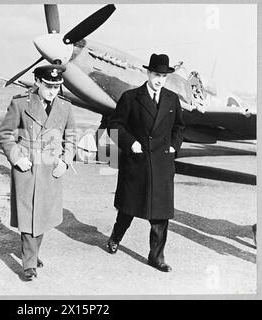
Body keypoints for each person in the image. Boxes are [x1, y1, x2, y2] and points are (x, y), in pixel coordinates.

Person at [106, 53, 185, 272]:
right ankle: (115, 237)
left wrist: (174, 147)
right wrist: (131, 143)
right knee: (128, 208)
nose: (160, 80)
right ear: (148, 73)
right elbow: (114, 125)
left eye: (163, 76)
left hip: (161, 162)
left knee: (160, 214)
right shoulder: (131, 97)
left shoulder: (172, 99)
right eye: (156, 75)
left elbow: (179, 127)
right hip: (137, 162)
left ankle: (156, 257)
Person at [0, 64, 76, 281]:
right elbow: (5, 134)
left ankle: (32, 253)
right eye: (49, 86)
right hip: (28, 164)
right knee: (29, 213)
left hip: (51, 164)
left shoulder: (65, 106)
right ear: (38, 82)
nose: (53, 91)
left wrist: (66, 161)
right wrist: (16, 158)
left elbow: (71, 137)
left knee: (43, 214)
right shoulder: (21, 103)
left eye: (57, 86)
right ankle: (29, 263)